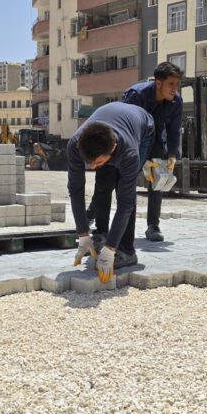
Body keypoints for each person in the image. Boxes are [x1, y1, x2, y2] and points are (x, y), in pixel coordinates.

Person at [88, 62, 183, 243]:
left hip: (154, 139)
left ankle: (153, 226)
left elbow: (174, 129)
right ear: (158, 83)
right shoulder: (136, 95)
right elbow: (123, 124)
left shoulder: (176, 101)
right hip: (129, 139)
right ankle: (100, 228)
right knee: (109, 179)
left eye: (177, 84)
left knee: (159, 179)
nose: (174, 89)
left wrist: (172, 155)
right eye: (171, 84)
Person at [68, 102, 155, 281]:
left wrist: (110, 250)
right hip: (112, 122)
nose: (92, 167)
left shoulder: (129, 153)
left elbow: (125, 203)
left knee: (125, 191)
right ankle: (101, 235)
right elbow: (75, 189)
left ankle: (127, 250)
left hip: (144, 125)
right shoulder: (74, 144)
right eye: (89, 163)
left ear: (113, 149)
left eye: (97, 163)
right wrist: (82, 234)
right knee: (104, 183)